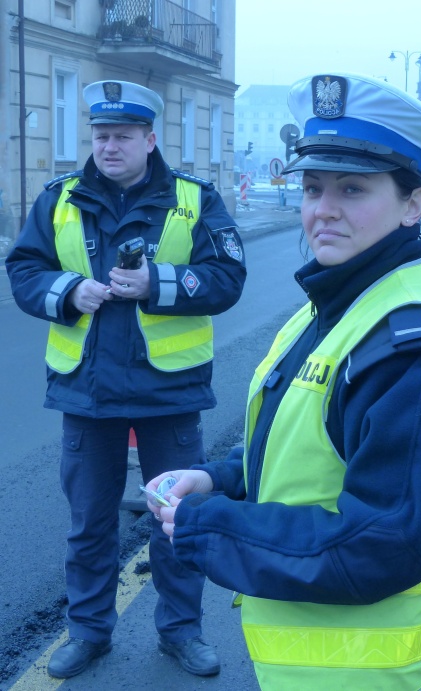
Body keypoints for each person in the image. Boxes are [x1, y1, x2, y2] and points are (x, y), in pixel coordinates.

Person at [146, 72, 421, 691]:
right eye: (312, 187)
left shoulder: (413, 347)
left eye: (353, 189)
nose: (322, 210)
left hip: (370, 677)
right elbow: (305, 452)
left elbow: (386, 543)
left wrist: (212, 524)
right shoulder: (344, 300)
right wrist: (222, 478)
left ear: (414, 203)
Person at [6, 80, 246, 680]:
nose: (109, 147)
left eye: (122, 136)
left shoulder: (194, 200)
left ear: (148, 139)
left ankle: (180, 632)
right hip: (86, 395)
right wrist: (66, 291)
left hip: (170, 395)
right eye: (100, 135)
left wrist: (157, 285)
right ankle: (88, 632)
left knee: (176, 521)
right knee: (89, 524)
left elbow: (227, 276)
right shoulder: (60, 198)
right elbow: (24, 268)